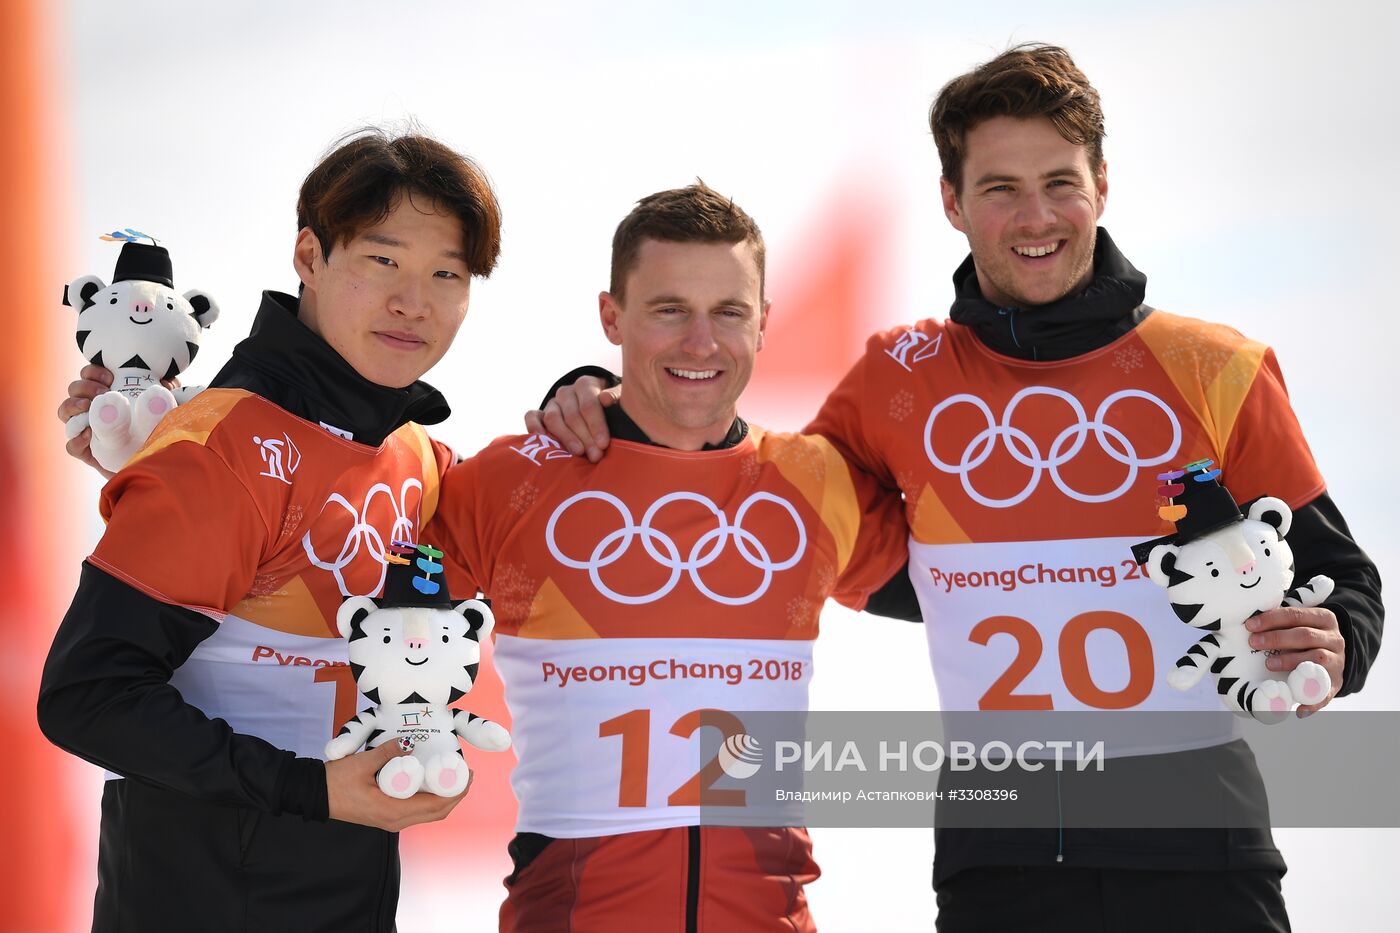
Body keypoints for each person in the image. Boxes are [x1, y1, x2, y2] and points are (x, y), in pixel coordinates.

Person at [532, 45, 1384, 931]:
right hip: (1001, 868)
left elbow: (1342, 578)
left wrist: (1335, 647)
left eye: (1060, 181)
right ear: (952, 201)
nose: (1036, 216)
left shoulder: (1216, 368)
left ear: (1102, 181)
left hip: (1203, 857)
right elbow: (756, 492)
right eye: (1000, 188)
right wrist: (603, 393)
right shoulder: (902, 378)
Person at [40, 128, 504, 932]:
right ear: (310, 257)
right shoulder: (225, 446)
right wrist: (311, 789)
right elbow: (86, 696)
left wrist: (588, 389)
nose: (413, 301)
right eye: (383, 260)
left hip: (349, 886)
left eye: (446, 274)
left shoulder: (416, 457)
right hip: (197, 895)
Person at [423, 182, 911, 931]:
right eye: (669, 309)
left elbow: (992, 577)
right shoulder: (513, 480)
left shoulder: (814, 480)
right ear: (611, 317)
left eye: (729, 312)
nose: (701, 342)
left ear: (765, 322)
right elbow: (352, 602)